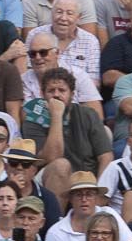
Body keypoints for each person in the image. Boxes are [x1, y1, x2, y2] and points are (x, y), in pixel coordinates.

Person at [21, 69, 112, 204]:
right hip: (49, 180)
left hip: (85, 181)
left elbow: (105, 156)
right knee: (61, 165)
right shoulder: (33, 118)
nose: (56, 95)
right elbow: (52, 157)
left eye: (62, 90)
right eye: (51, 91)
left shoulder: (88, 114)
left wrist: (98, 192)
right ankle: (58, 220)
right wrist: (57, 115)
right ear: (42, 94)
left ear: (72, 94)